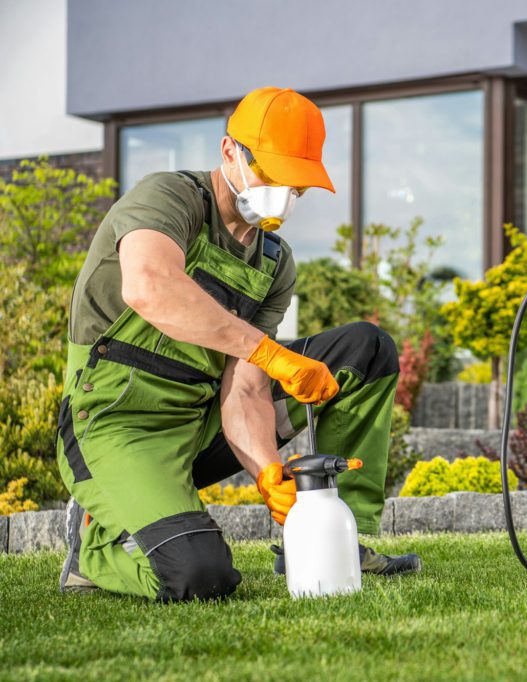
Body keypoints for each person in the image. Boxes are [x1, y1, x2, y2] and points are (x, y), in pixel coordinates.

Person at [56, 86, 420, 601]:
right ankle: (93, 547)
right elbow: (150, 287)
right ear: (230, 152)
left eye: (295, 183)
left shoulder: (275, 262)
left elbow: (245, 391)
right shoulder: (167, 199)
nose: (284, 193)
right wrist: (270, 352)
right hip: (115, 422)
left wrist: (268, 471)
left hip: (200, 420)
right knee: (201, 578)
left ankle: (335, 540)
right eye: (270, 174)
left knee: (367, 351)